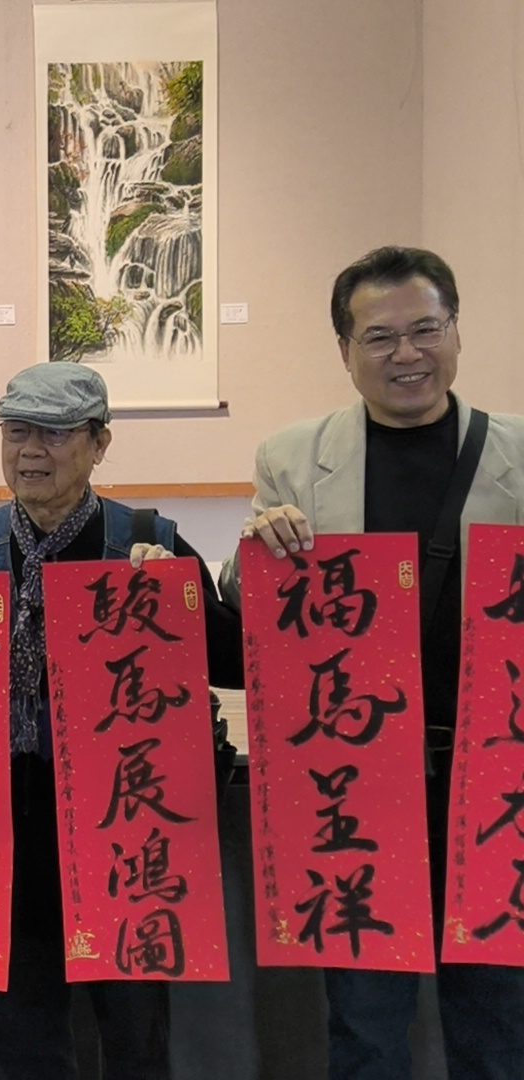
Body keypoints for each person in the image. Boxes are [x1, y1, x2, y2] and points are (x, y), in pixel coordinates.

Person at [225, 245, 524, 1079]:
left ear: (456, 331)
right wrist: (256, 552)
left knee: (499, 1020)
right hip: (357, 779)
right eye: (380, 337)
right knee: (364, 1025)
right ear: (345, 350)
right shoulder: (293, 457)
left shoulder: (518, 452)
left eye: (425, 329)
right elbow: (251, 607)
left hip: (494, 778)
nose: (407, 355)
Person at [0, 363, 242, 1080]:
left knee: (134, 1038)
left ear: (100, 444)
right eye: (17, 431)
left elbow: (235, 661)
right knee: (19, 1042)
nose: (31, 450)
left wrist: (177, 597)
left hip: (122, 827)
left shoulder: (147, 539)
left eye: (55, 434)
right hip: (5, 834)